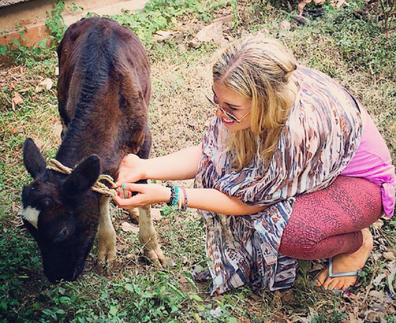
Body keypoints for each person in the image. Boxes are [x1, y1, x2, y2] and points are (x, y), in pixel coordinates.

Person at [113, 35, 395, 295]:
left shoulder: (297, 132)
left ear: (265, 103)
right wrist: (145, 167)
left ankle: (356, 242)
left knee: (291, 233)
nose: (219, 113)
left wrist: (169, 195)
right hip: (316, 167)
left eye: (231, 108)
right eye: (216, 100)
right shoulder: (251, 101)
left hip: (359, 184)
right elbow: (212, 153)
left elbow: (252, 203)